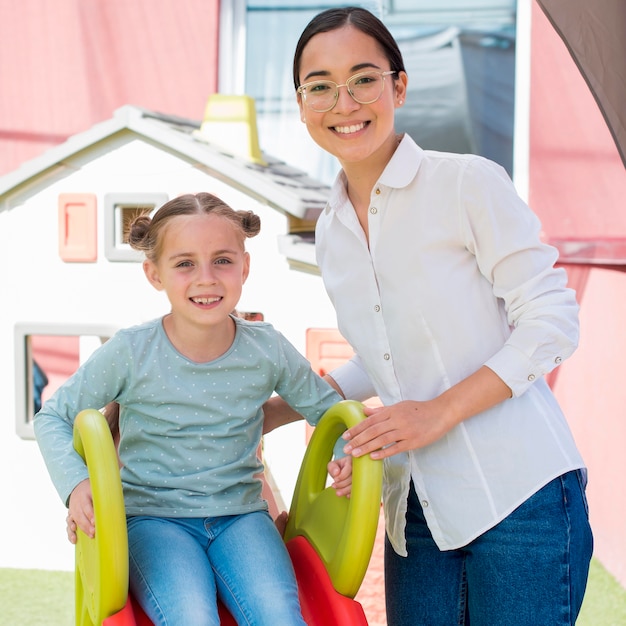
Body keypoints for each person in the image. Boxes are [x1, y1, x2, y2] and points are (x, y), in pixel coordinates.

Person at [264, 6, 593, 626]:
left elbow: (551, 318)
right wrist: (273, 414)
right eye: (321, 86)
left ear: (399, 85)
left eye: (363, 78)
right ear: (302, 103)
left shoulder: (467, 184)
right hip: (414, 511)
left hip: (522, 497)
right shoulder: (330, 231)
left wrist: (438, 412)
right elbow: (380, 354)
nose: (344, 101)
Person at [34, 192, 350, 626]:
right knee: (191, 618)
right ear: (154, 274)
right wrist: (76, 485)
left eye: (222, 260)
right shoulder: (132, 351)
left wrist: (344, 456)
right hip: (154, 521)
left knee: (280, 617)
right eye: (184, 263)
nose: (206, 278)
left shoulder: (267, 348)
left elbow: (327, 409)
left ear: (245, 266)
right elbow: (52, 416)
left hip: (241, 518)